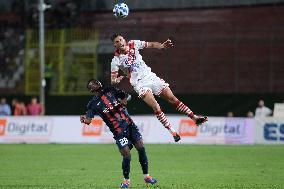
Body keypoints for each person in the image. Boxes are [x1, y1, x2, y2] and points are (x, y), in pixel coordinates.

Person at [110, 33, 208, 142]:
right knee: (156, 106)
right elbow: (112, 79)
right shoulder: (115, 60)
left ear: (124, 40)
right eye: (117, 42)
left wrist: (162, 46)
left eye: (120, 40)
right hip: (139, 84)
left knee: (172, 99)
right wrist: (116, 80)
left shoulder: (134, 44)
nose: (120, 42)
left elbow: (150, 44)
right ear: (115, 45)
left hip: (151, 77)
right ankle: (173, 132)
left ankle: (195, 118)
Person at [80, 79, 158, 188]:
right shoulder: (92, 104)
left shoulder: (110, 90)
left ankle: (147, 176)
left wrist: (125, 100)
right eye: (91, 84)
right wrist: (83, 119)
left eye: (95, 81)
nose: (95, 83)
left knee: (141, 148)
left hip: (130, 125)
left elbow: (127, 96)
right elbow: (88, 120)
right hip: (118, 131)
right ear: (91, 89)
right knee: (126, 154)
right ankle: (126, 181)